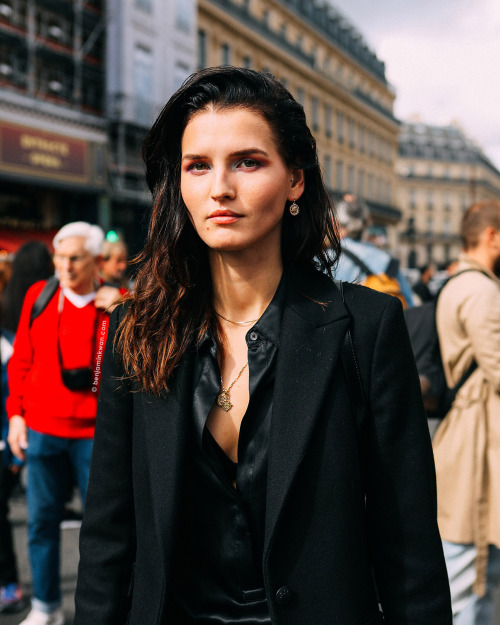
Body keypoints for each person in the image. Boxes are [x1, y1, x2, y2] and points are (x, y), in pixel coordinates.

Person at [74, 67, 451, 625]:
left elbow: (408, 545)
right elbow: (108, 534)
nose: (219, 188)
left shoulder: (365, 326)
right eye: (197, 166)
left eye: (247, 162)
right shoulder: (139, 330)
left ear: (295, 180)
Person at [7, 222, 118, 625]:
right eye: (60, 257)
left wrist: (127, 308)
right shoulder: (40, 296)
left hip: (95, 436)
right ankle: (46, 608)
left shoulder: (115, 303)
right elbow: (21, 360)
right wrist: (16, 415)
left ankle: (106, 610)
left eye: (76, 258)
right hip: (41, 429)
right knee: (40, 524)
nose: (65, 267)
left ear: (97, 262)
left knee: (107, 530)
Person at [433, 200, 500, 625]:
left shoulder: (460, 283)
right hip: (477, 440)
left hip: (467, 431)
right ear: (492, 236)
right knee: (471, 572)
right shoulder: (482, 290)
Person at [331, 193, 414, 306]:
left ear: (336, 223)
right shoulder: (386, 260)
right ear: (367, 222)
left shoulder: (325, 258)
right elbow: (408, 302)